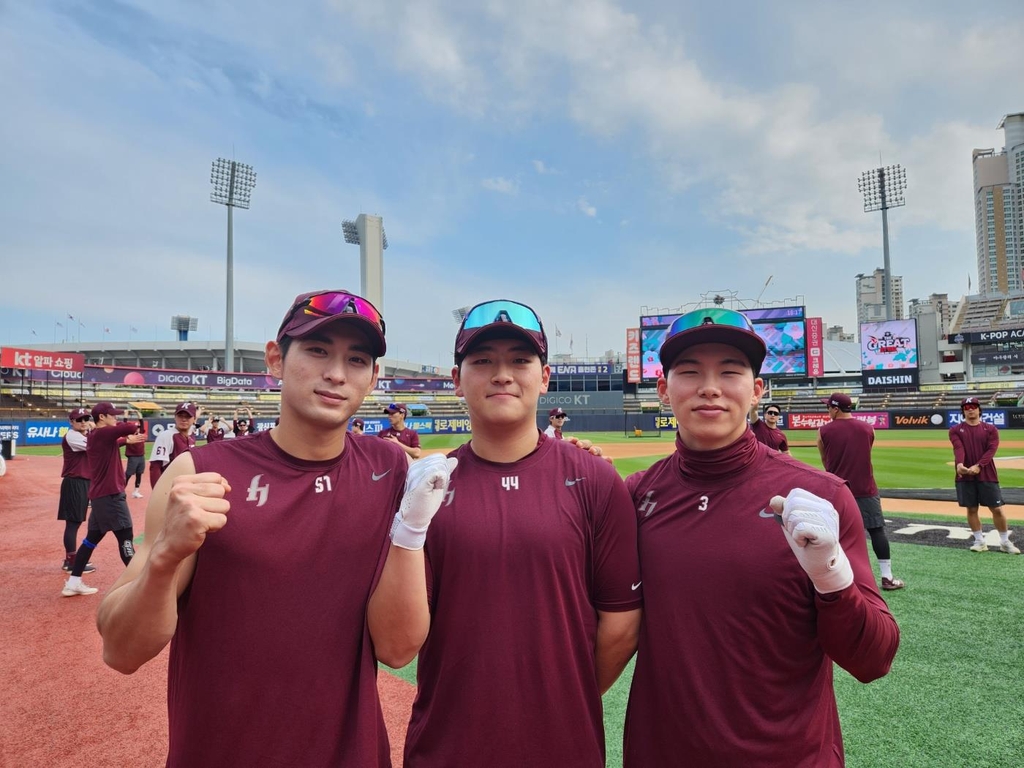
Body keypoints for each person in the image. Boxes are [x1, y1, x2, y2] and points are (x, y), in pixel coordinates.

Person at [97, 289, 455, 767]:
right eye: (317, 350)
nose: (335, 373)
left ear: (372, 378)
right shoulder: (197, 475)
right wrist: (164, 558)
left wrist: (577, 458)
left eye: (356, 359)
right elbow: (121, 651)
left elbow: (398, 649)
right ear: (275, 359)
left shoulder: (389, 468)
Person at [622, 308, 899, 767]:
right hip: (661, 752)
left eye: (729, 372)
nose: (709, 387)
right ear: (663, 390)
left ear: (756, 391)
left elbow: (874, 661)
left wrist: (831, 577)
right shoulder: (635, 495)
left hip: (790, 756)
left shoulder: (821, 497)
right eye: (689, 372)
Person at [404, 299, 641, 767]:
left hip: (564, 745)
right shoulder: (426, 490)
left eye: (519, 360)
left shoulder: (593, 478)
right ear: (457, 381)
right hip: (446, 745)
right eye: (482, 361)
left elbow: (622, 622)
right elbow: (401, 638)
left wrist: (562, 694)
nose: (502, 374)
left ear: (545, 377)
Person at [818, 392, 905, 590]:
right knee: (876, 531)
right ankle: (887, 577)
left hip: (837, 489)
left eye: (828, 407)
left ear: (836, 408)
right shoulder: (868, 428)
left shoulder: (824, 431)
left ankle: (840, 579)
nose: (828, 411)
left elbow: (825, 460)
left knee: (836, 535)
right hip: (866, 488)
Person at [62, 402, 147, 597]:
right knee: (125, 537)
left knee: (91, 540)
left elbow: (115, 441)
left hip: (101, 496)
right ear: (102, 417)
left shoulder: (97, 437)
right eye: (112, 415)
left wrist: (126, 440)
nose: (116, 418)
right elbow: (130, 427)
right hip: (111, 496)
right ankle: (142, 587)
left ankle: (73, 582)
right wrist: (132, 423)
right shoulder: (102, 433)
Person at [950, 396, 1019, 554]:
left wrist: (979, 465)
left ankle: (1004, 541)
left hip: (987, 474)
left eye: (973, 407)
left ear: (979, 409)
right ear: (963, 411)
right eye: (967, 408)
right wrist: (960, 465)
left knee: (996, 508)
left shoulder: (990, 429)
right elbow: (958, 448)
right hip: (965, 475)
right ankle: (979, 541)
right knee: (971, 508)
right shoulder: (955, 430)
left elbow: (991, 450)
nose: (970, 410)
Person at [57, 408, 96, 573]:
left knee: (76, 522)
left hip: (82, 482)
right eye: (79, 419)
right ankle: (72, 562)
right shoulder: (73, 436)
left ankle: (70, 560)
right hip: (75, 482)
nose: (83, 422)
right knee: (73, 523)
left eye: (86, 419)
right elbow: (95, 447)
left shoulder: (83, 435)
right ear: (71, 422)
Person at [148, 402, 199, 489]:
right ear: (175, 417)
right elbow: (155, 467)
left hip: (187, 487)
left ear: (194, 419)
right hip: (171, 488)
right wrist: (157, 494)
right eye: (180, 416)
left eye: (187, 416)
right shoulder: (166, 436)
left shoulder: (191, 436)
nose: (183, 419)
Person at [124, 417, 147, 499]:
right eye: (135, 428)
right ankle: (121, 490)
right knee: (128, 474)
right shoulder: (129, 436)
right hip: (133, 457)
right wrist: (126, 417)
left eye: (138, 428)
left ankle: (136, 491)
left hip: (141, 456)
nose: (137, 429)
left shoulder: (140, 433)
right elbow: (124, 425)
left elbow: (142, 423)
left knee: (139, 474)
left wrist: (139, 416)